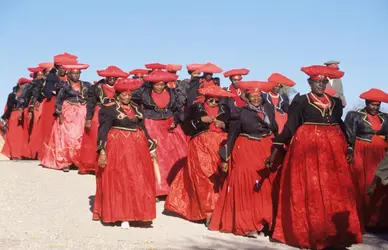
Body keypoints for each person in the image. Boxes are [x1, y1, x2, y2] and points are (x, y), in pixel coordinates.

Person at [266, 65, 362, 249]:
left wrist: (349, 146)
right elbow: (291, 125)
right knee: (311, 189)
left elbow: (340, 124)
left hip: (334, 151)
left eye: (323, 82)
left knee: (334, 190)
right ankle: (311, 231)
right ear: (310, 83)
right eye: (316, 82)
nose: (320, 85)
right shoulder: (301, 101)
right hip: (307, 150)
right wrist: (276, 149)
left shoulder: (334, 102)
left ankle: (335, 232)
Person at [209, 80, 277, 237]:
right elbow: (232, 135)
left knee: (265, 186)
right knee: (247, 186)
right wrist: (225, 158)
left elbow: (274, 128)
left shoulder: (268, 109)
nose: (255, 98)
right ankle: (247, 224)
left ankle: (263, 221)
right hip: (246, 149)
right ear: (246, 97)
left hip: (265, 149)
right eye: (252, 96)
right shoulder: (240, 112)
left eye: (258, 95)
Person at [165, 85, 234, 225]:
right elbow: (186, 127)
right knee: (204, 177)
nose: (213, 103)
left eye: (216, 101)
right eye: (211, 100)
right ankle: (208, 212)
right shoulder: (195, 109)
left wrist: (224, 125)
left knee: (220, 176)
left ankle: (219, 209)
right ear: (205, 99)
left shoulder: (225, 110)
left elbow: (234, 126)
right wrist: (200, 121)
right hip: (200, 146)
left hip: (220, 146)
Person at [92, 78, 157, 229]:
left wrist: (151, 146)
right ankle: (122, 215)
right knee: (121, 179)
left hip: (137, 148)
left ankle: (138, 214)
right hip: (118, 147)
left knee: (137, 178)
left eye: (129, 94)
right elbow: (102, 131)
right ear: (118, 95)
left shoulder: (137, 108)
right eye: (124, 95)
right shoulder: (109, 109)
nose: (127, 97)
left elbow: (143, 129)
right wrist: (102, 151)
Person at [132, 70, 188, 198]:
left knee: (176, 155)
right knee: (155, 156)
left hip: (169, 125)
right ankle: (156, 188)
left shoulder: (172, 93)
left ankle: (175, 187)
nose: (159, 87)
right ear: (152, 84)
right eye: (157, 85)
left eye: (162, 84)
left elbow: (178, 109)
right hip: (152, 125)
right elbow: (132, 99)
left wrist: (176, 120)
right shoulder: (143, 93)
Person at [345, 88, 388, 228]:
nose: (375, 108)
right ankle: (363, 219)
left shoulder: (385, 117)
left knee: (380, 185)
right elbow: (349, 134)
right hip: (362, 153)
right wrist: (350, 150)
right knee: (363, 185)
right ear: (366, 103)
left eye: (378, 105)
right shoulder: (355, 115)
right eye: (372, 104)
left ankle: (377, 220)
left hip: (380, 155)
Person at [40, 63, 91, 172]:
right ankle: (65, 161)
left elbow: (90, 98)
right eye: (74, 73)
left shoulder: (86, 85)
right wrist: (60, 114)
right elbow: (58, 100)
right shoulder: (63, 85)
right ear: (69, 74)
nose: (76, 76)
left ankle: (78, 161)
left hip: (82, 112)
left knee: (80, 136)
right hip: (68, 111)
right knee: (66, 136)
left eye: (78, 74)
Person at [79, 66, 129, 174]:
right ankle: (93, 165)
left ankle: (113, 163)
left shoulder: (121, 86)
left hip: (116, 112)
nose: (112, 79)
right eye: (110, 77)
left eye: (114, 77)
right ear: (106, 77)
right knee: (96, 136)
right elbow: (91, 102)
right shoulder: (97, 87)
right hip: (99, 112)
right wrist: (88, 118)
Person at [1, 78, 31, 159]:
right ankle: (14, 154)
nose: (25, 86)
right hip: (14, 116)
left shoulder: (27, 94)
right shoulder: (12, 95)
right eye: (24, 84)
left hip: (23, 116)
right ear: (20, 85)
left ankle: (21, 153)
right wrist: (6, 117)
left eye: (26, 84)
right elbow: (9, 106)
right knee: (14, 136)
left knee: (22, 136)